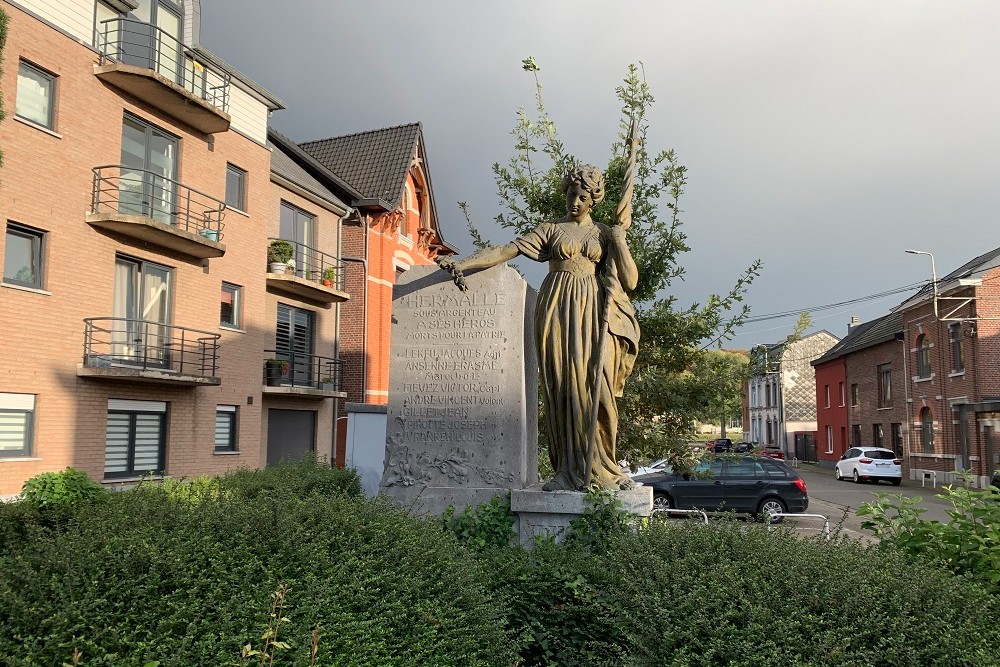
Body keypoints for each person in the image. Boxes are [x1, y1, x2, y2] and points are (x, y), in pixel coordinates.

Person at [437, 164, 640, 490]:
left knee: (597, 391)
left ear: (593, 199)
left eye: (582, 197)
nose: (574, 202)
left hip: (592, 316)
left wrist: (619, 240)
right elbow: (507, 250)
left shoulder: (603, 232)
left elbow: (629, 280)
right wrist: (461, 263)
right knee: (561, 389)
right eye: (571, 195)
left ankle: (605, 468)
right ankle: (566, 471)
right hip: (557, 309)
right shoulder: (550, 229)